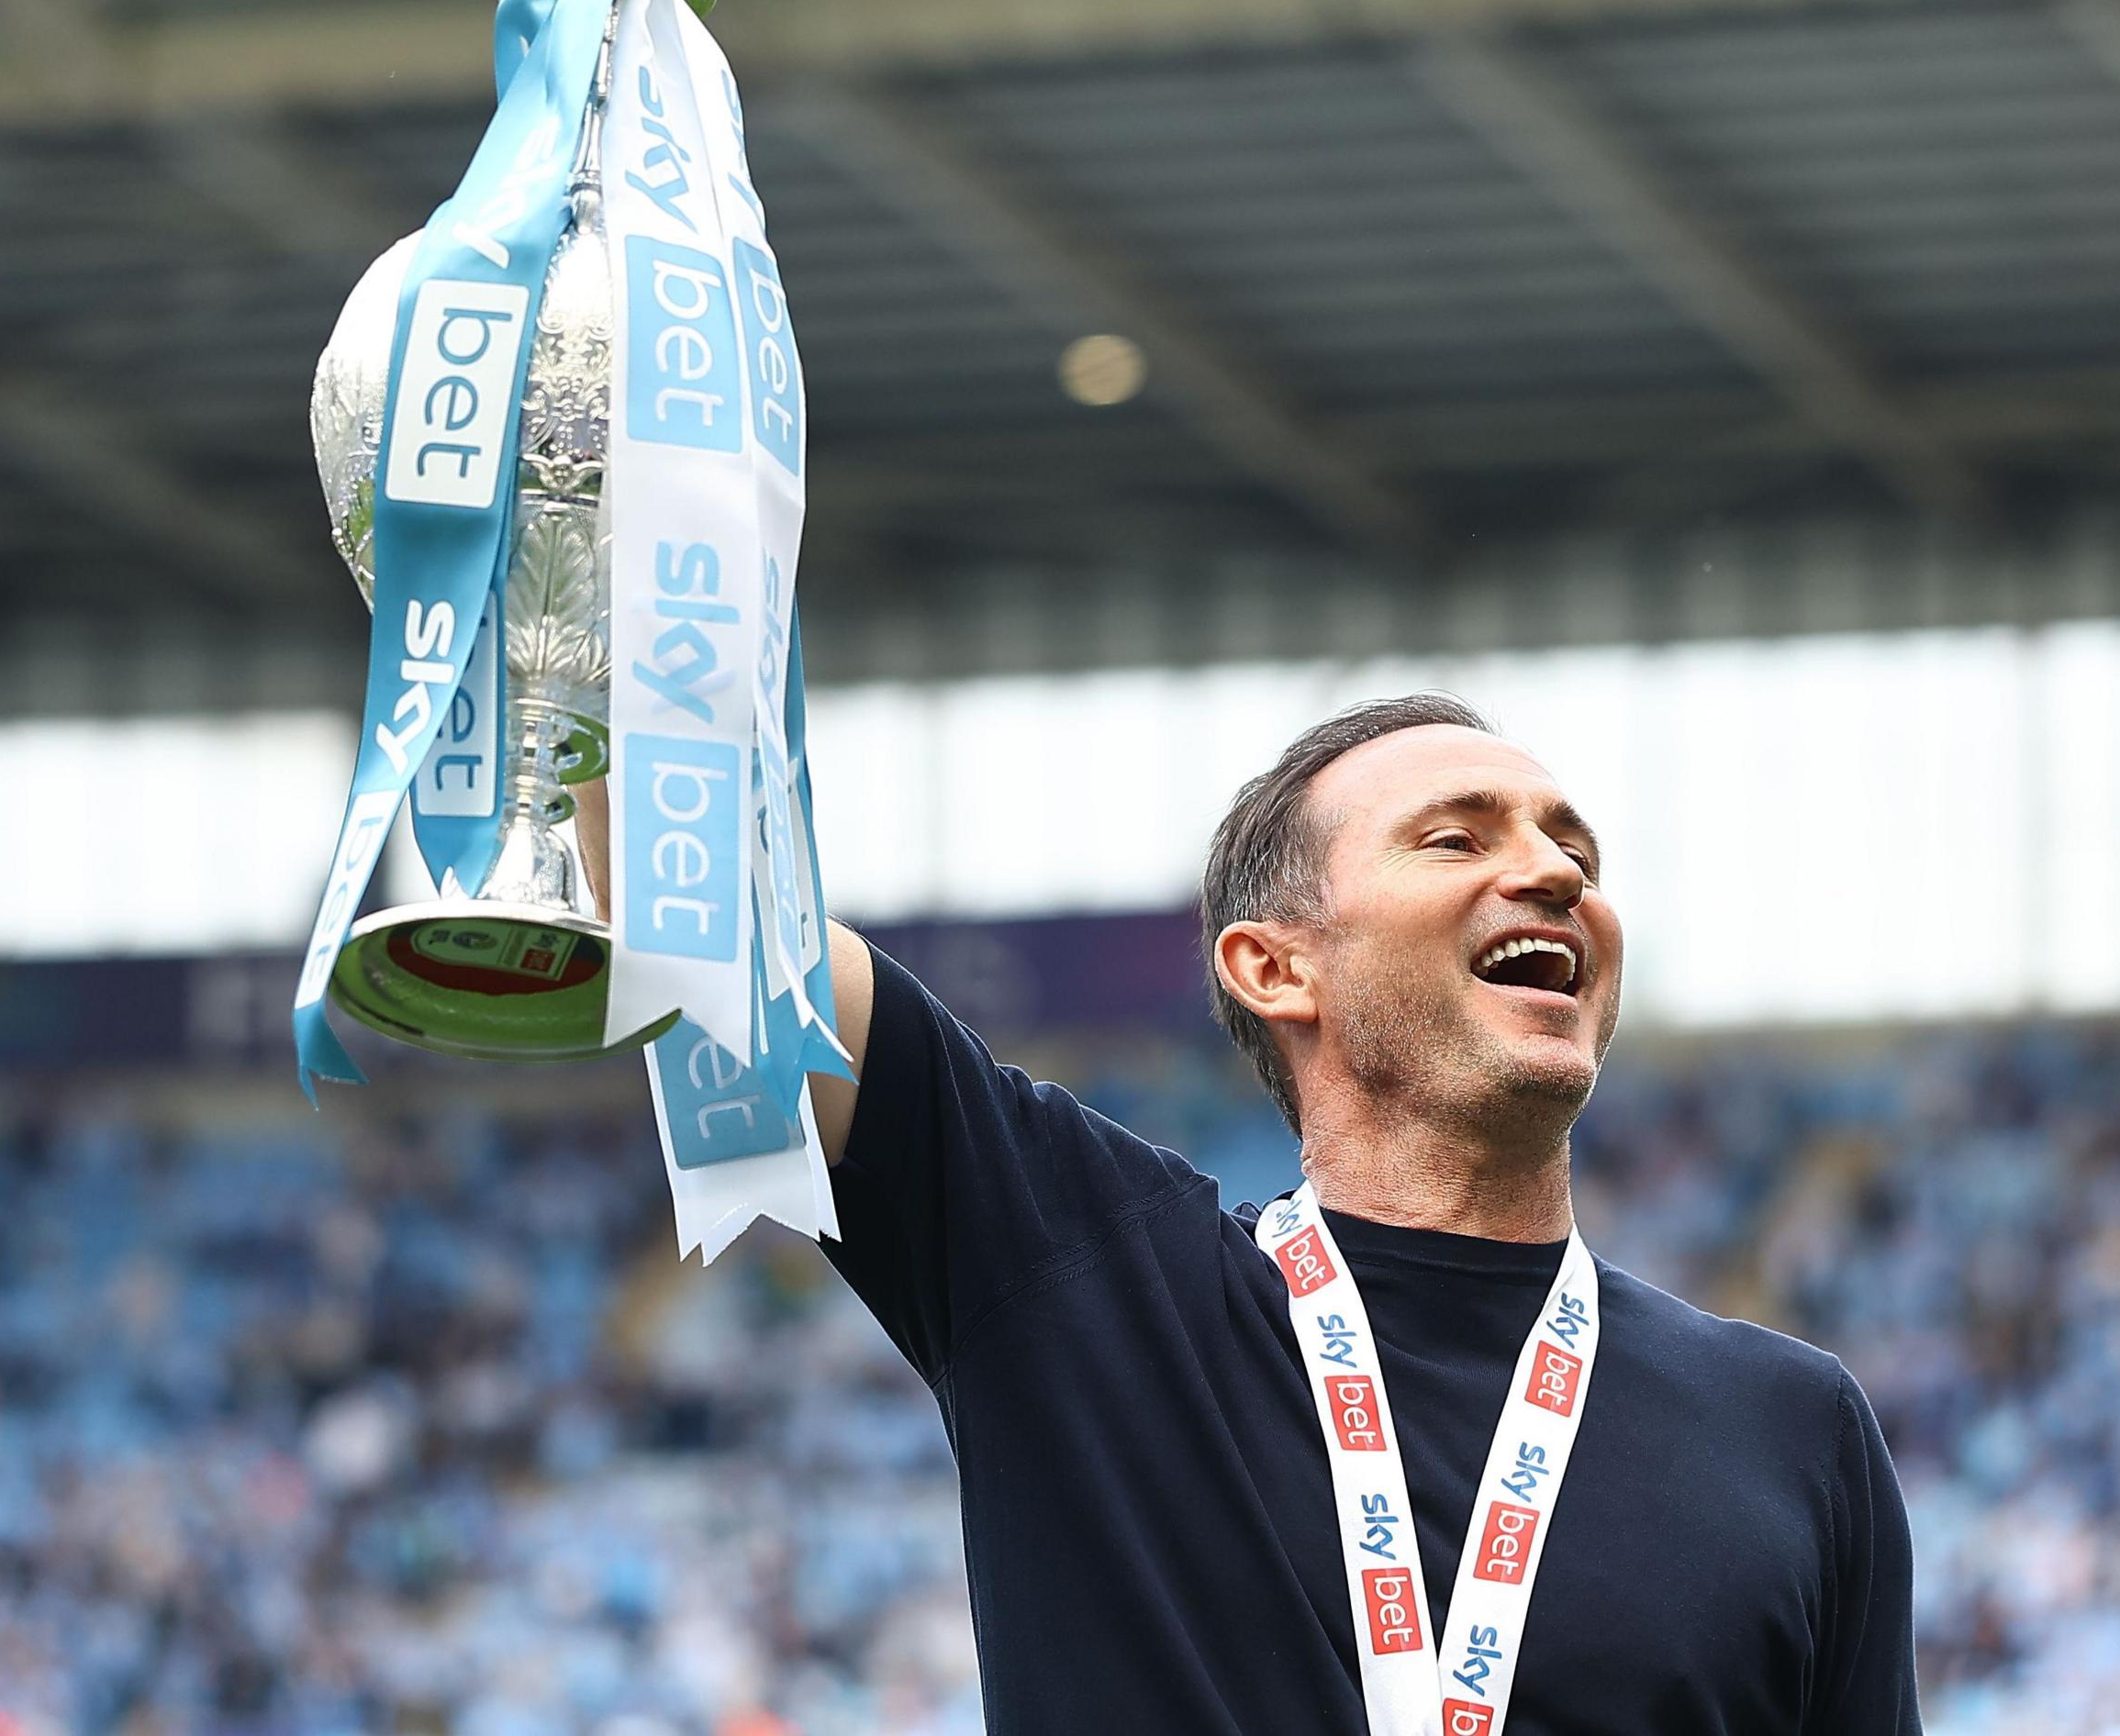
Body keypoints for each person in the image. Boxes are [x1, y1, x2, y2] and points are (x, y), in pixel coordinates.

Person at [766, 693, 1919, 1734]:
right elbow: (714, 936)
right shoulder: (1093, 1283)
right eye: (1458, 838)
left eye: (1574, 850)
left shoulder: (1792, 1426)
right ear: (1275, 968)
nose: (1558, 875)